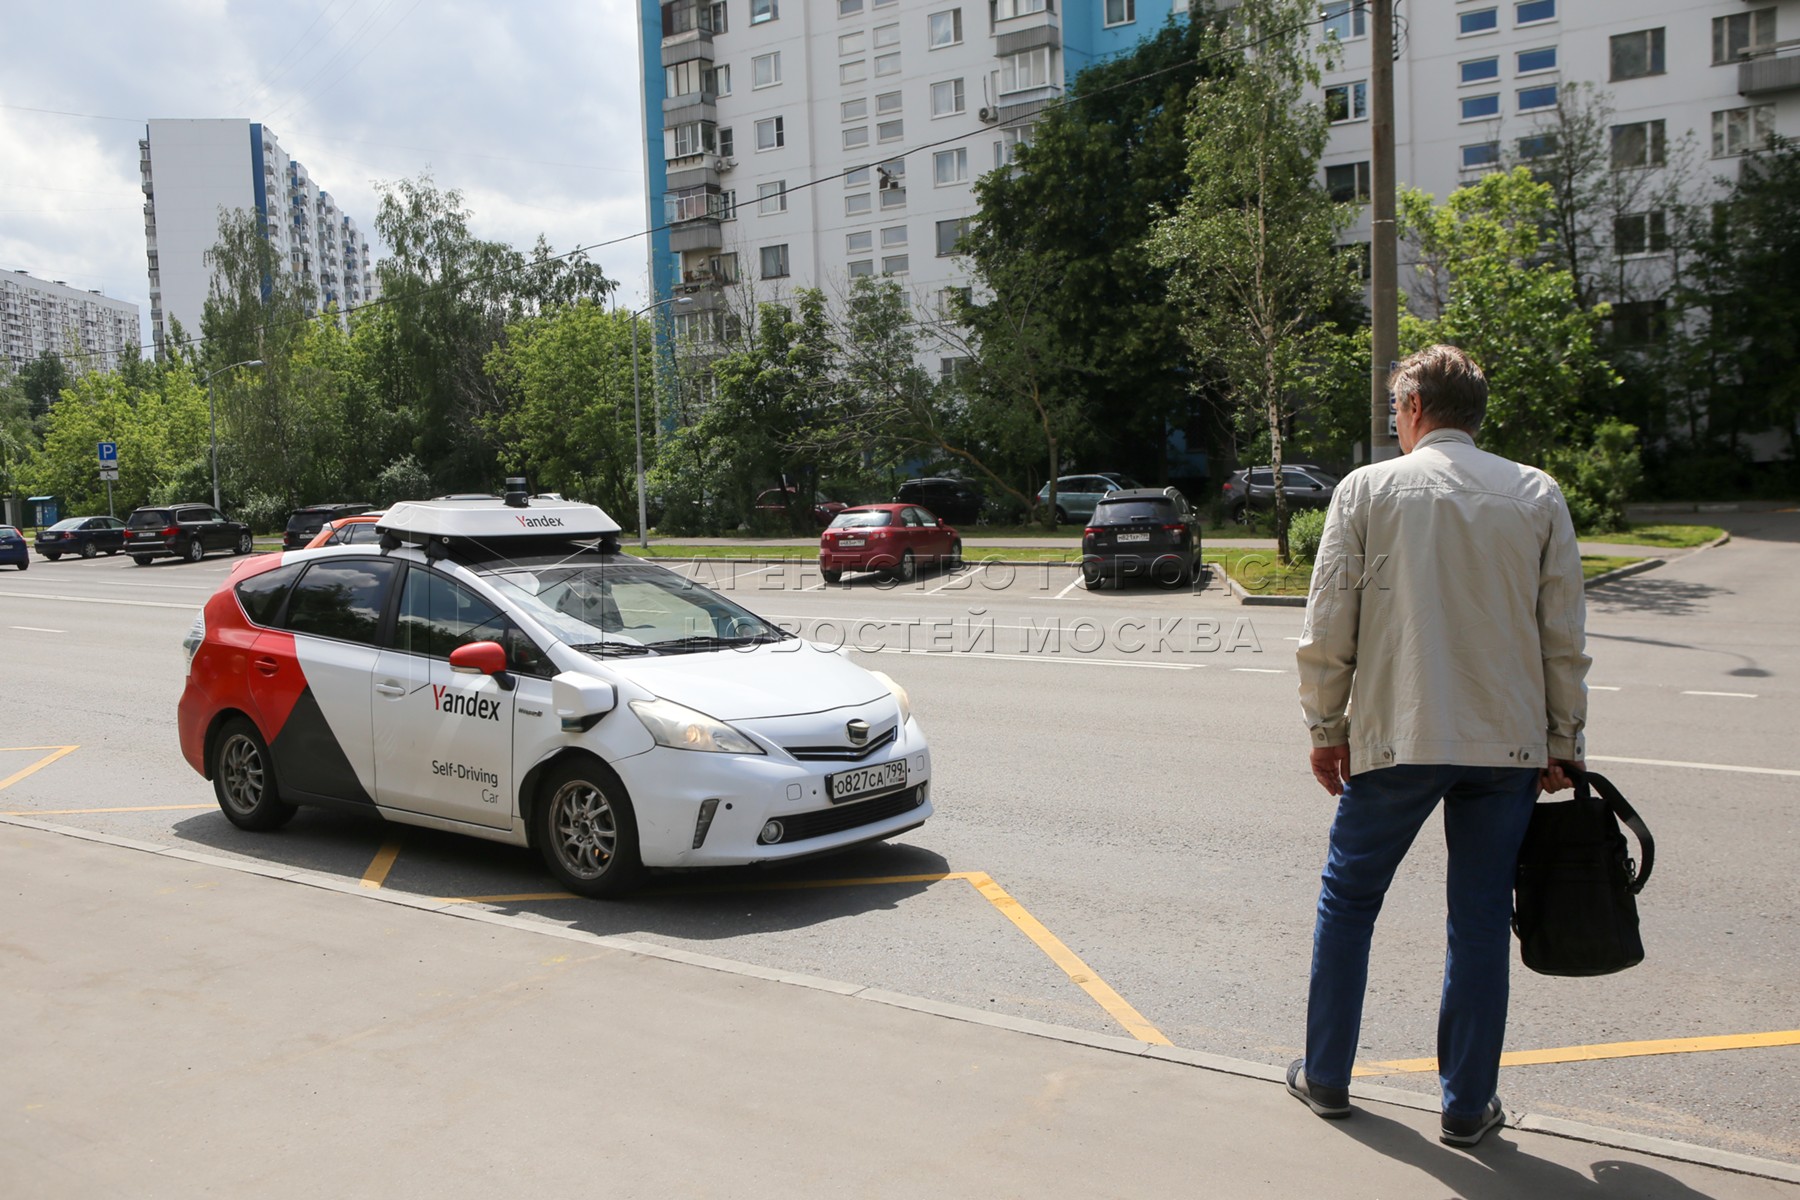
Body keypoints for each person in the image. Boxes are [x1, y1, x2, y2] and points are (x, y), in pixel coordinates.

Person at [1288, 344, 1590, 1148]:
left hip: (1396, 737)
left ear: (1416, 406)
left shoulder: (1366, 491)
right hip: (1507, 745)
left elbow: (1328, 629)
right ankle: (1466, 1106)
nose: (1393, 422)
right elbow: (1561, 634)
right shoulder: (1534, 494)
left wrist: (1326, 730)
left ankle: (1325, 1076)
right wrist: (1563, 737)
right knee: (1481, 919)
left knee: (1349, 904)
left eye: (1395, 408)